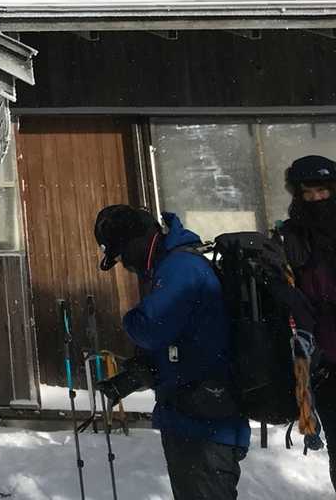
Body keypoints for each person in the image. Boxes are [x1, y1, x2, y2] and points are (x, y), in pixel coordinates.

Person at [93, 204, 249, 500]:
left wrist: (129, 318)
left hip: (205, 423)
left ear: (134, 242)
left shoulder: (179, 268)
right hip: (194, 415)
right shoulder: (174, 265)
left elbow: (150, 327)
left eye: (122, 255)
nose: (126, 265)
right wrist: (138, 374)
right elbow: (183, 343)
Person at [276, 154, 336, 492]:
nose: (315, 199)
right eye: (307, 193)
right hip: (323, 361)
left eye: (322, 191)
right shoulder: (293, 237)